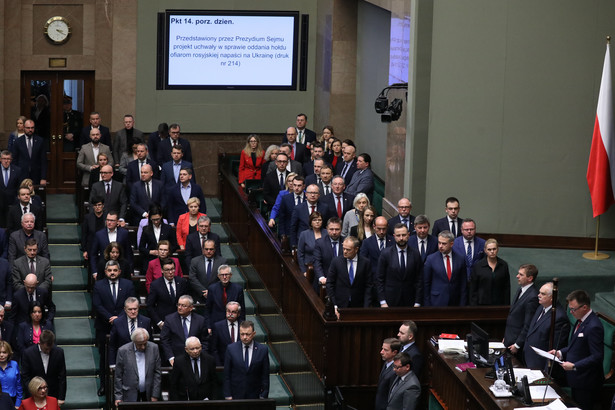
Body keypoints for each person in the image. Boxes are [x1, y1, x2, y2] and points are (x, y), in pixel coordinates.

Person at [549, 290, 604, 410]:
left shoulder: (594, 326)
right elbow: (577, 346)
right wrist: (560, 353)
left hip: (586, 382)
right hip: (576, 379)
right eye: (570, 309)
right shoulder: (581, 321)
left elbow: (597, 356)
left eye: (573, 309)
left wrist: (574, 366)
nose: (571, 312)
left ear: (584, 307)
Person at [92, 260, 135, 396]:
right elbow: (97, 305)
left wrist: (119, 319)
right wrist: (111, 318)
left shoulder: (128, 284)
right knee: (104, 358)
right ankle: (104, 386)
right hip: (104, 326)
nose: (112, 273)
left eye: (115, 270)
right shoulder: (99, 285)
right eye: (109, 270)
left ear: (119, 271)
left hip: (124, 326)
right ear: (105, 272)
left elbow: (132, 302)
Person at [523, 282, 570, 371]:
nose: (538, 295)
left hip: (540, 366)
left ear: (552, 298)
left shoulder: (559, 317)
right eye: (539, 292)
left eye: (543, 294)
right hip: (529, 359)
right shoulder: (541, 307)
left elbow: (554, 347)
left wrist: (546, 371)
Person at [377, 224, 423, 308]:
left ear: (408, 235)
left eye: (404, 235)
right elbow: (380, 279)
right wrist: (382, 301)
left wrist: (417, 302)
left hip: (410, 301)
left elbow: (419, 279)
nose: (401, 238)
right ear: (394, 236)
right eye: (398, 235)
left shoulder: (415, 254)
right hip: (390, 301)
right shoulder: (386, 253)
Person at [326, 236, 372, 318]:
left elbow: (368, 285)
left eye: (348, 249)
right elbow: (330, 284)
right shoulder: (336, 262)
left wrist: (366, 307)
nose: (345, 251)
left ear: (356, 249)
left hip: (358, 306)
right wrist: (334, 305)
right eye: (343, 248)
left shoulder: (365, 263)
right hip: (340, 305)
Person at [114, 328, 161, 405]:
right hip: (129, 393)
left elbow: (157, 373)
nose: (143, 347)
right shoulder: (123, 351)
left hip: (149, 393)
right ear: (134, 341)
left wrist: (155, 394)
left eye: (145, 343)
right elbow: (118, 376)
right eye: (140, 344)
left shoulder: (154, 348)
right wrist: (118, 397)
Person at [223, 320, 270, 400]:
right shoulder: (231, 349)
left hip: (255, 395)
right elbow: (227, 375)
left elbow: (265, 375)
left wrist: (263, 395)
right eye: (242, 334)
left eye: (247, 334)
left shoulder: (262, 350)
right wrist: (228, 395)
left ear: (253, 334)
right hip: (236, 394)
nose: (245, 337)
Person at [159, 295, 208, 365]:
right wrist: (171, 358)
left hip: (196, 359)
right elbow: (164, 340)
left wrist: (200, 356)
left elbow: (205, 341)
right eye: (178, 305)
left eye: (183, 306)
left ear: (191, 308)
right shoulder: (169, 320)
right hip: (176, 359)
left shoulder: (200, 320)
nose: (179, 308)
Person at [503, 264, 540, 356]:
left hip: (516, 345)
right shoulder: (521, 289)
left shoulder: (532, 296)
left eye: (521, 274)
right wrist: (506, 337)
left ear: (530, 278)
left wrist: (517, 344)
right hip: (509, 339)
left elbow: (528, 324)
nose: (517, 276)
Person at [20, 331, 66, 405]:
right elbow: (25, 376)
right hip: (34, 396)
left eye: (50, 348)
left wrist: (61, 397)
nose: (48, 351)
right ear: (39, 343)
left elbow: (62, 376)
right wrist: (33, 392)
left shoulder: (59, 352)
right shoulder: (28, 353)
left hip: (53, 394)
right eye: (46, 349)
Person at [423, 231, 467, 307]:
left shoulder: (460, 259)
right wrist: (427, 304)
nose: (440, 246)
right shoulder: (431, 259)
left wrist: (462, 304)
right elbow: (426, 284)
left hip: (455, 301)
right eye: (439, 243)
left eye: (444, 244)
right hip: (436, 301)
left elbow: (463, 284)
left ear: (451, 244)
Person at [147, 258, 189, 331]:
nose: (170, 272)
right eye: (167, 270)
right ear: (162, 271)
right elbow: (150, 306)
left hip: (180, 321)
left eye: (172, 269)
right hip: (163, 322)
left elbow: (187, 300)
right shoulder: (155, 285)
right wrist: (159, 322)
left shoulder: (181, 282)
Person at [169, 336, 218, 401]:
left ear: (201, 346)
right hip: (185, 401)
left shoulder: (209, 360)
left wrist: (214, 401)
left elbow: (214, 383)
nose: (195, 351)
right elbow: (173, 385)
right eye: (192, 349)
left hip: (206, 401)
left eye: (197, 348)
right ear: (186, 349)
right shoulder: (179, 362)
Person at [108, 297, 153, 366]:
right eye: (130, 309)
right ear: (125, 309)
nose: (133, 312)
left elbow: (150, 343)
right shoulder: (117, 323)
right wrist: (112, 364)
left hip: (142, 359)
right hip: (123, 360)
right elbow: (112, 345)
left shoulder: (146, 321)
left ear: (138, 308)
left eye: (135, 309)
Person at [90, 211, 133, 278]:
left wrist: (130, 270)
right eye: (108, 220)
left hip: (121, 269)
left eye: (112, 220)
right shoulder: (99, 234)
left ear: (117, 222)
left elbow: (128, 253)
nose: (109, 222)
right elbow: (93, 254)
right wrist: (95, 272)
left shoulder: (124, 233)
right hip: (103, 269)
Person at [469, 239, 510, 306]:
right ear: (485, 250)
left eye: (494, 249)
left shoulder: (503, 265)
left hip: (499, 303)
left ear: (498, 249)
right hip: (481, 304)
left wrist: (506, 305)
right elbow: (473, 288)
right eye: (489, 249)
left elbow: (506, 287)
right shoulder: (478, 266)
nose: (492, 251)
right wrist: (473, 306)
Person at [139, 207, 178, 271]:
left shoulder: (168, 228)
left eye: (158, 219)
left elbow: (174, 245)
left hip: (166, 260)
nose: (156, 221)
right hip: (151, 259)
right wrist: (150, 252)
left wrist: (166, 252)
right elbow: (141, 247)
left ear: (161, 216)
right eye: (153, 219)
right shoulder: (146, 229)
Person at [10, 120, 47, 186]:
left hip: (36, 175)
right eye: (28, 128)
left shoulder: (40, 141)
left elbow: (43, 160)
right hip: (21, 175)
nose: (30, 130)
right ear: (24, 128)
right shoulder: (18, 141)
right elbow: (14, 160)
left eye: (32, 128)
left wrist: (43, 178)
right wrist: (14, 176)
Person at [313, 218, 344, 292]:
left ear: (341, 229)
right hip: (325, 280)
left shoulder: (346, 242)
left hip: (342, 282)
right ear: (327, 229)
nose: (334, 232)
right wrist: (321, 277)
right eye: (331, 229)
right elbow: (317, 262)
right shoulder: (320, 243)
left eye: (337, 229)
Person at [210, 302, 242, 366]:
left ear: (238, 314)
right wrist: (219, 366)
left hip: (241, 365)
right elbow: (214, 349)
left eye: (233, 312)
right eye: (228, 311)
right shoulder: (217, 326)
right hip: (223, 364)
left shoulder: (243, 326)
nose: (230, 314)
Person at [375, 338, 401, 410]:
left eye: (385, 350)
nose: (381, 352)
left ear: (394, 352)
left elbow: (392, 396)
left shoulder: (395, 371)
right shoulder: (387, 363)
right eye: (382, 349)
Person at [0, 150, 22, 229]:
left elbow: (19, 186)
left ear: (11, 160)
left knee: (11, 225)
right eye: (4, 159)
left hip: (12, 202)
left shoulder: (17, 170)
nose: (6, 161)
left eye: (8, 159)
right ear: (0, 159)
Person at [0, 341, 22, 407]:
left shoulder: (14, 364)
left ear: (9, 353)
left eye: (4, 352)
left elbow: (19, 386)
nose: (1, 355)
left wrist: (18, 403)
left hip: (13, 399)